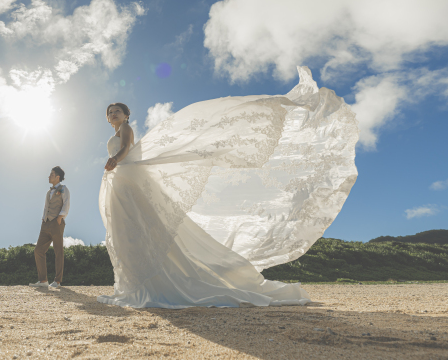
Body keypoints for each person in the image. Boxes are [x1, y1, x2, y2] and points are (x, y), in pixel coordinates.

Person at [97, 67, 359, 308]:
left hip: (125, 176)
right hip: (120, 181)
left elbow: (125, 150)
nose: (113, 115)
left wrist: (114, 161)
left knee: (136, 226)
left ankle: (149, 284)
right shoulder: (116, 131)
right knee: (128, 229)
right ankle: (133, 283)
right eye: (110, 113)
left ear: (126, 114)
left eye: (117, 111)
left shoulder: (127, 129)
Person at [31, 166, 70, 289]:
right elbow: (46, 207)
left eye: (51, 174)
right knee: (38, 250)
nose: (49, 176)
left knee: (58, 251)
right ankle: (43, 280)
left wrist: (60, 217)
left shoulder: (63, 189)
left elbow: (66, 204)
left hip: (56, 223)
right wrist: (43, 219)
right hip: (46, 223)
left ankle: (57, 281)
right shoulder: (48, 192)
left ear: (58, 177)